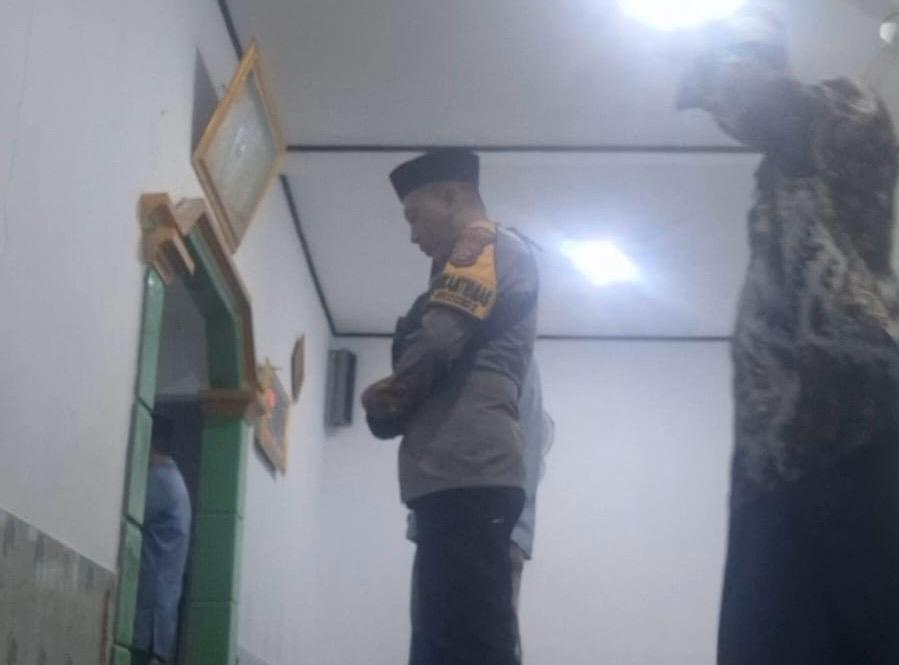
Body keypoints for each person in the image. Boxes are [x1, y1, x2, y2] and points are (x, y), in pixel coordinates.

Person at [676, 11, 899, 665]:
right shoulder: (786, 163)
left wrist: (721, 52)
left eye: (724, 80)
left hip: (844, 434)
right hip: (782, 453)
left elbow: (761, 100)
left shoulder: (846, 111)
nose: (720, 110)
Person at [362, 148, 540, 665]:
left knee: (464, 645)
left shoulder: (483, 244)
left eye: (415, 216)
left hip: (468, 474)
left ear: (452, 196)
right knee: (451, 641)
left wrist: (385, 400)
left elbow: (440, 342)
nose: (412, 234)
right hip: (458, 476)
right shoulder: (468, 261)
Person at [406, 359, 554, 664]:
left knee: (482, 645)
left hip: (492, 527)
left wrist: (516, 536)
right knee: (434, 642)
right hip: (442, 522)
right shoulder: (451, 354)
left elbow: (528, 443)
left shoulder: (515, 359)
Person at [133, 415, 193, 664]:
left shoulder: (159, 480)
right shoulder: (175, 482)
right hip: (162, 616)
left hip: (149, 618)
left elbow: (129, 516)